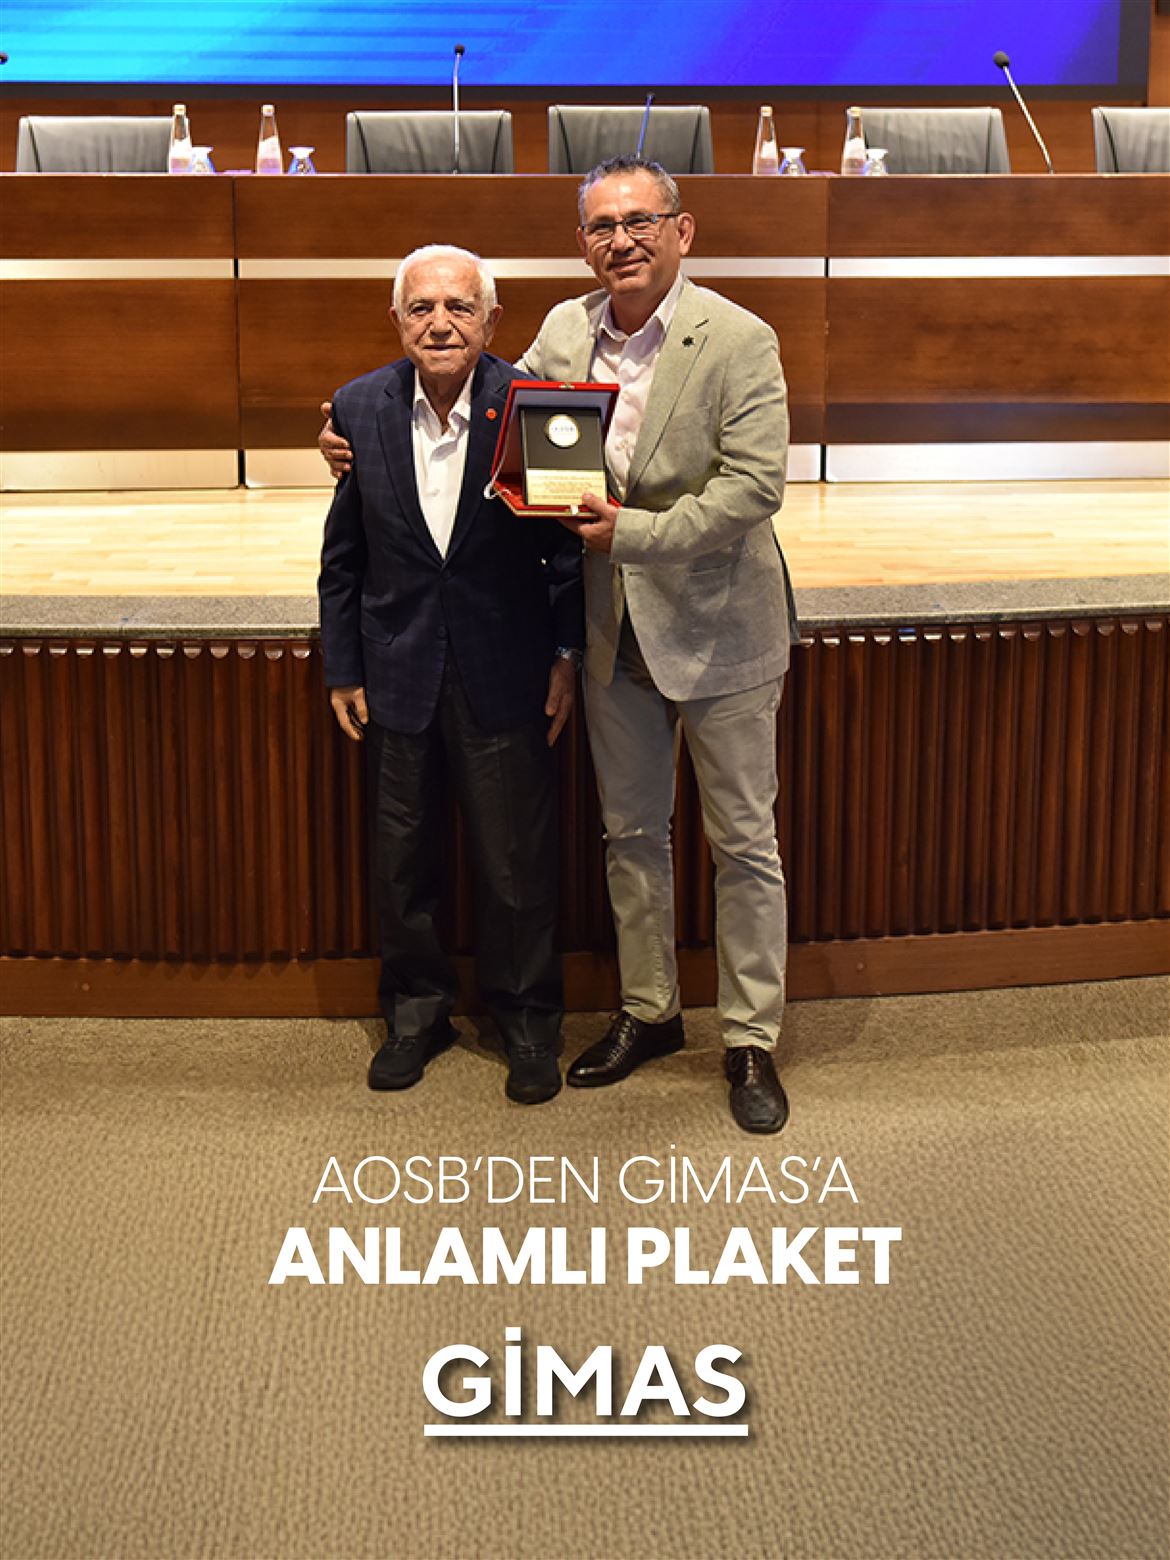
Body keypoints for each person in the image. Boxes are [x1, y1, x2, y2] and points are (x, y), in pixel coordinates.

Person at [321, 160, 797, 1135]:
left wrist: (629, 534)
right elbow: (496, 411)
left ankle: (750, 1037)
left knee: (743, 844)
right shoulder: (565, 334)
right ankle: (650, 1013)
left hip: (719, 627)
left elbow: (755, 488)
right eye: (602, 227)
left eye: (640, 221)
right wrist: (345, 434)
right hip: (612, 630)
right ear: (583, 243)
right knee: (633, 836)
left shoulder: (740, 338)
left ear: (682, 231)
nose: (622, 240)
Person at [317, 244, 583, 1106]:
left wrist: (568, 656)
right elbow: (343, 558)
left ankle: (527, 1021)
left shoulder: (535, 405)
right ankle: (416, 1016)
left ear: (491, 321)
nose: (440, 324)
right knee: (402, 862)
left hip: (506, 667)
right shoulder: (358, 406)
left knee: (515, 863)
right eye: (422, 308)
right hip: (395, 668)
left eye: (459, 307)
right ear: (397, 320)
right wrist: (343, 665)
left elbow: (568, 555)